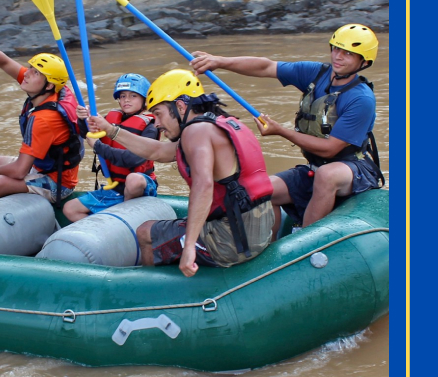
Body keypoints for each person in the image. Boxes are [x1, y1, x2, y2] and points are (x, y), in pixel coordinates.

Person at [189, 24, 384, 231]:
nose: (338, 56)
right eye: (336, 49)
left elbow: (331, 149)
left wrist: (281, 131)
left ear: (363, 61)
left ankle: (304, 243)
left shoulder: (361, 99)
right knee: (262, 191)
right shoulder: (316, 74)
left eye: (348, 53)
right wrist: (219, 61)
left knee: (327, 175)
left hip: (353, 169)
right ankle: (271, 253)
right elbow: (266, 67)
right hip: (314, 167)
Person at [88, 70, 274, 276]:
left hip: (230, 242)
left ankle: (151, 294)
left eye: (158, 113)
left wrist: (189, 247)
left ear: (180, 106)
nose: (156, 123)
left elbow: (203, 187)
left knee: (145, 232)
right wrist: (111, 130)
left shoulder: (195, 131)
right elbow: (157, 151)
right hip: (259, 230)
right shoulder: (224, 123)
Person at [0, 46, 83, 210]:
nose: (27, 73)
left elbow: (19, 171)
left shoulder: (45, 119)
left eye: (35, 73)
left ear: (48, 86)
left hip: (57, 183)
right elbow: (4, 62)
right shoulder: (48, 89)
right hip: (39, 167)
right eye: (31, 68)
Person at [63, 73, 159, 222]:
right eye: (122, 96)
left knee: (134, 180)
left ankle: (127, 219)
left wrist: (99, 147)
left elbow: (133, 159)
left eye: (133, 96)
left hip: (142, 187)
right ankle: (102, 234)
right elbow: (89, 134)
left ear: (144, 100)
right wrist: (83, 120)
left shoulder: (150, 127)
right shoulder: (112, 118)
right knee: (70, 209)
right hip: (115, 187)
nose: (126, 100)